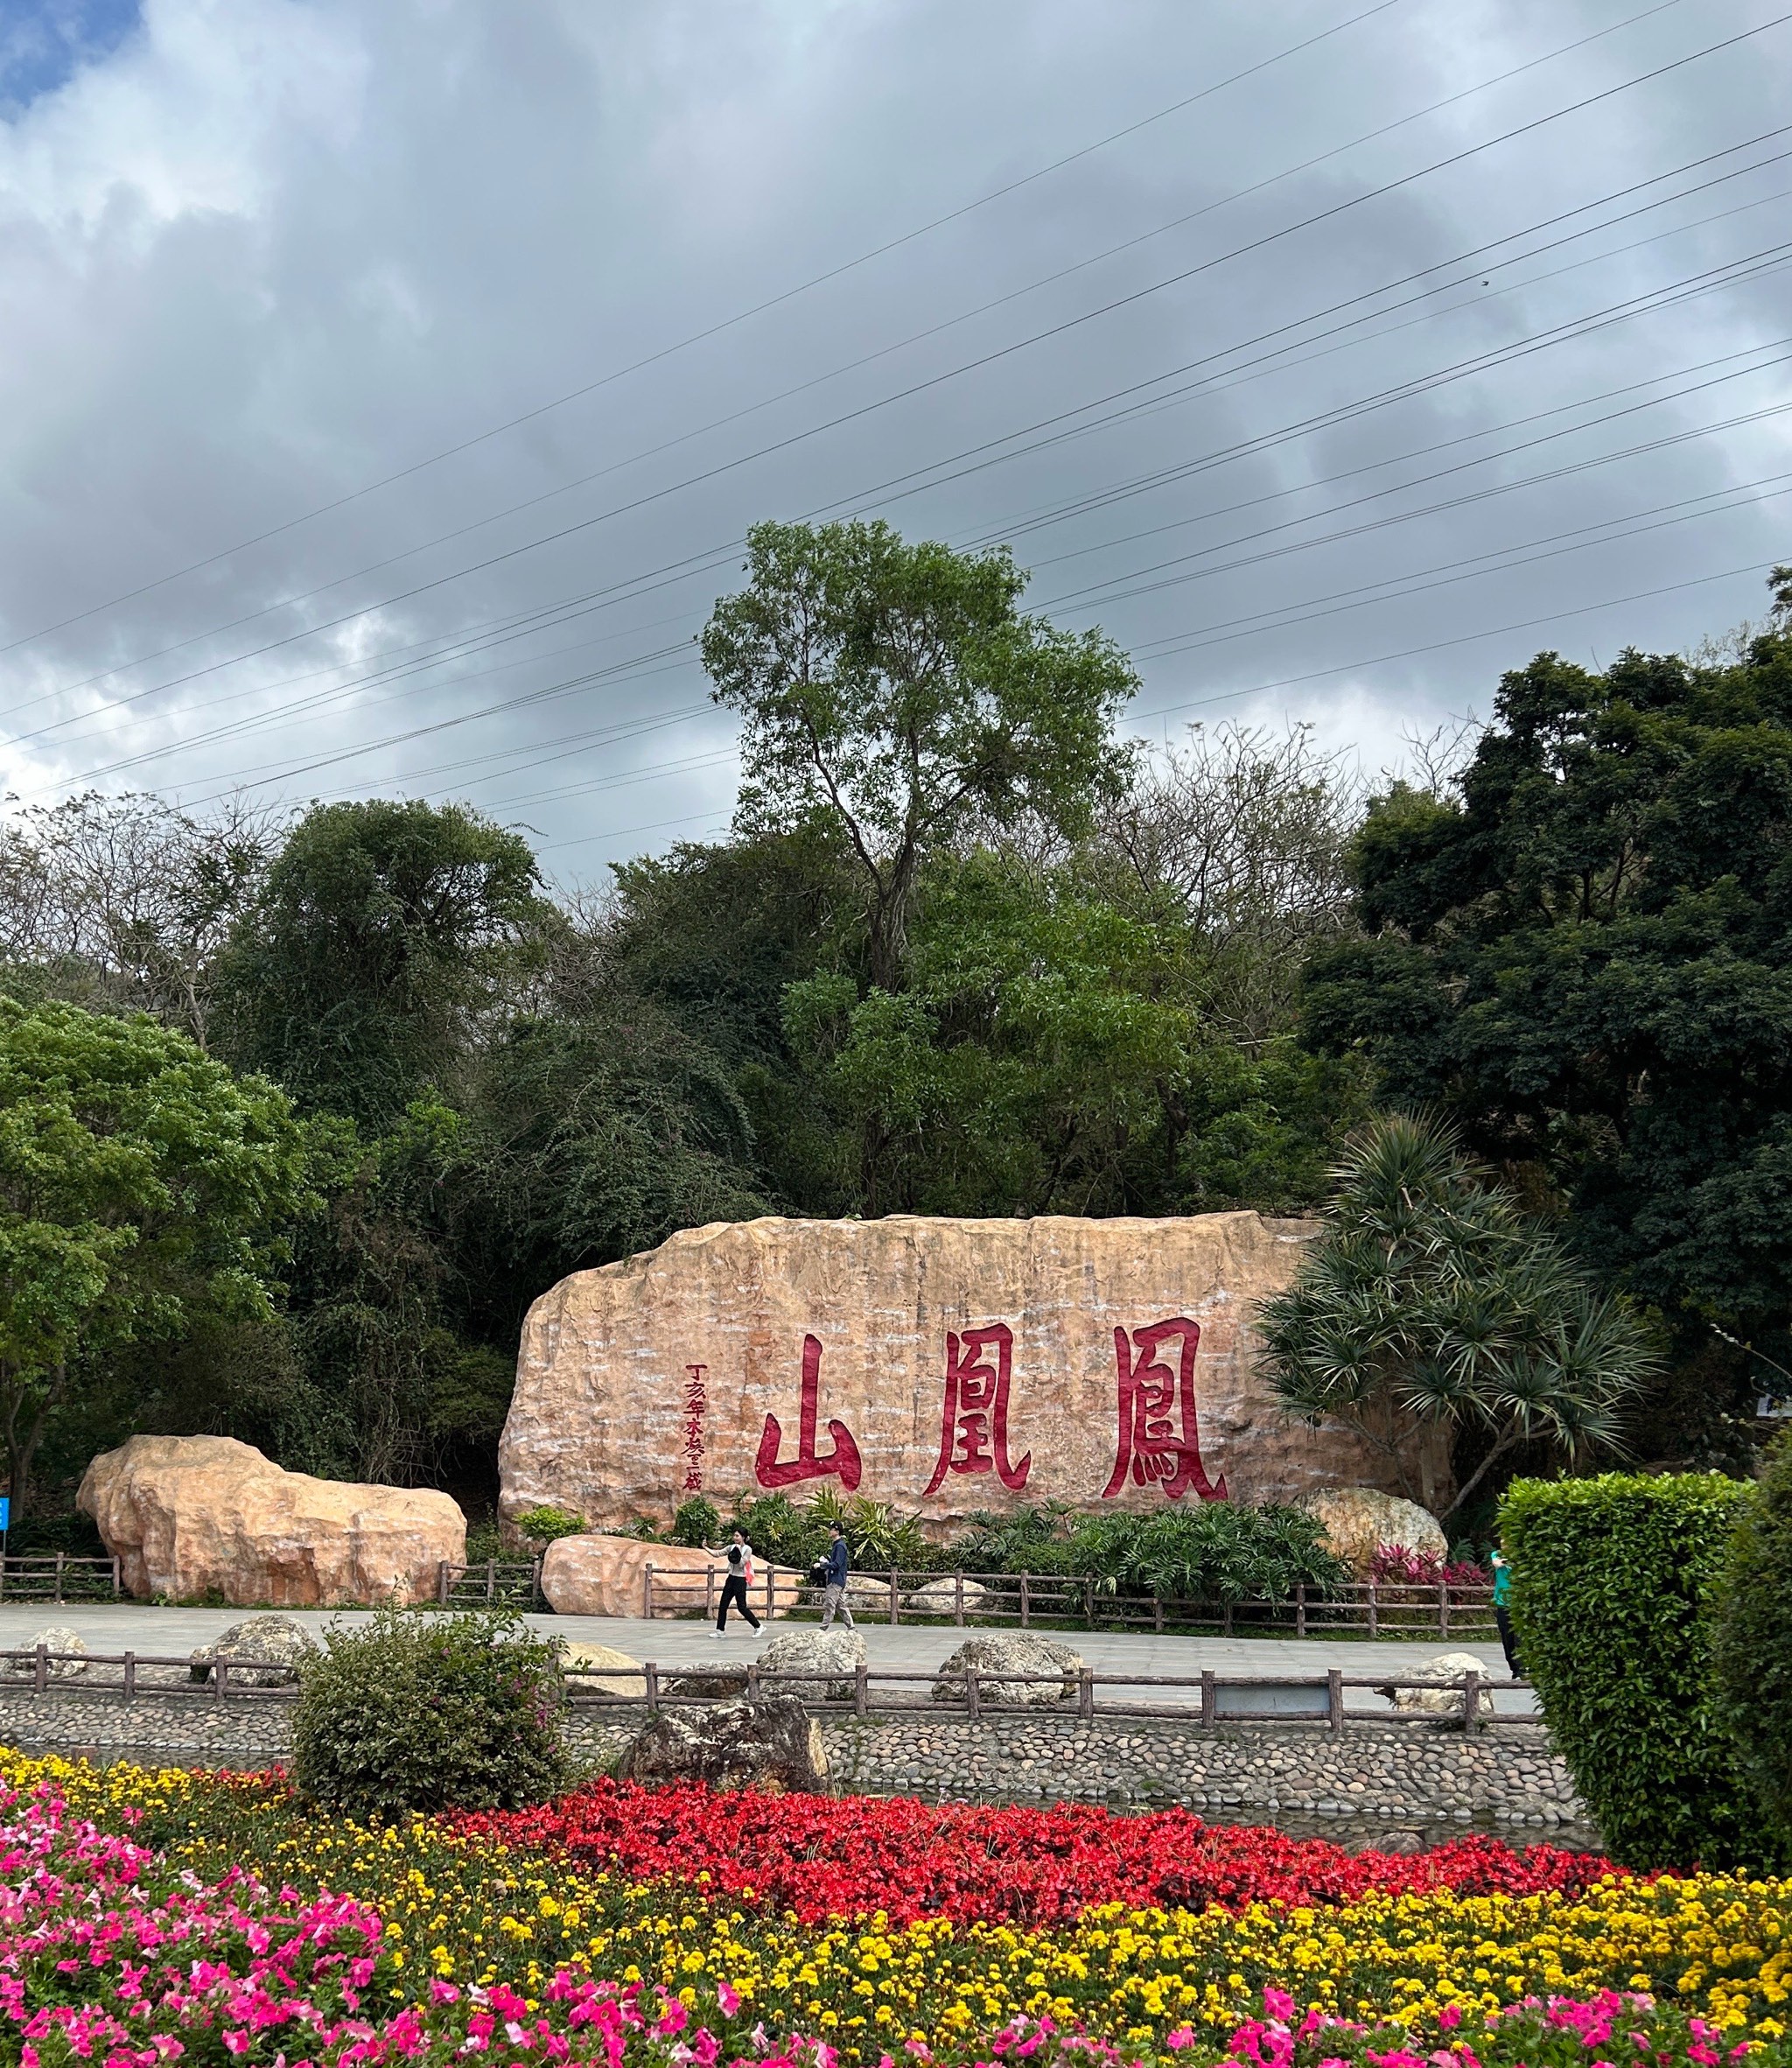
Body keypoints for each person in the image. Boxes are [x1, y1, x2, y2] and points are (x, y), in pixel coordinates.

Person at [712, 1527, 761, 1637]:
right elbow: (717, 1554)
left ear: (743, 1537)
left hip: (740, 1579)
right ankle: (720, 1631)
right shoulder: (731, 1547)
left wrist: (737, 1551)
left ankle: (758, 1626)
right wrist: (705, 1548)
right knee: (723, 1604)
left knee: (741, 1607)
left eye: (737, 1536)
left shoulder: (747, 1550)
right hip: (731, 1578)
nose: (735, 1538)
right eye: (734, 1536)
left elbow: (740, 1564)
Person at [1490, 1545, 1522, 1679]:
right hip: (1503, 1605)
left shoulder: (1522, 1555)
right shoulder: (1497, 1554)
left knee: (1519, 1638)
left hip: (1519, 1604)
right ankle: (1515, 1669)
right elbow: (1496, 1563)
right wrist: (1505, 1561)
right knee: (1507, 1639)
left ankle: (1522, 1669)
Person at [819, 1519, 855, 1632]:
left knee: (830, 1603)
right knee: (840, 1605)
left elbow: (837, 1564)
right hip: (839, 1579)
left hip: (836, 1579)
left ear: (837, 1531)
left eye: (832, 1529)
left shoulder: (839, 1546)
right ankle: (851, 1626)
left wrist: (823, 1565)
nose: (829, 1531)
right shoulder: (837, 1545)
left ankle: (823, 1627)